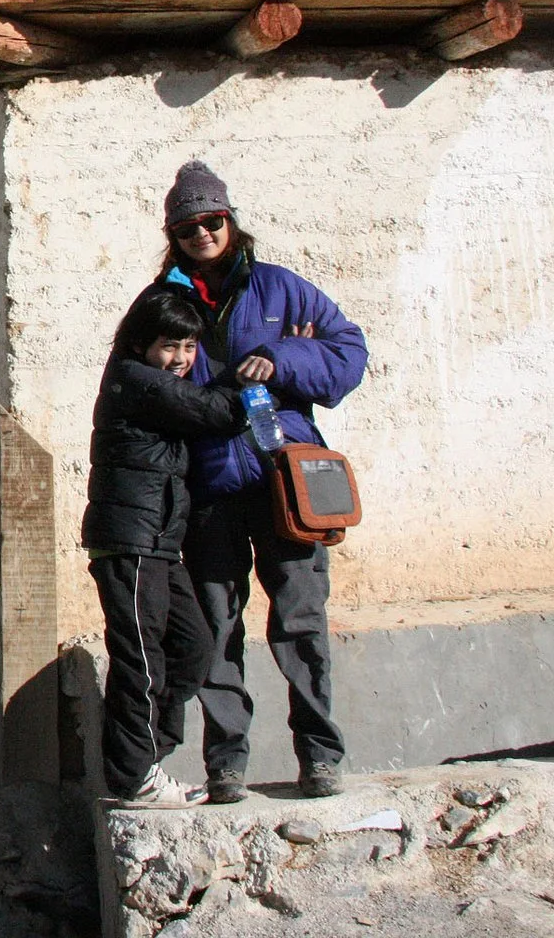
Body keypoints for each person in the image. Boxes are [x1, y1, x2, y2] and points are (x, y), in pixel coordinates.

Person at [157, 160, 366, 803]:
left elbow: (349, 354)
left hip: (285, 486)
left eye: (212, 220)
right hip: (209, 488)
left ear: (231, 220)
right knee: (217, 628)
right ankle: (225, 764)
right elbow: (142, 382)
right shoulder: (163, 304)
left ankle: (320, 756)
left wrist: (283, 357)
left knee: (301, 621)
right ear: (173, 235)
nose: (202, 233)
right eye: (187, 226)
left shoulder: (281, 289)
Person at [85, 285, 249, 810]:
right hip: (128, 541)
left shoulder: (153, 380)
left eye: (189, 347)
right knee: (141, 658)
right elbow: (218, 411)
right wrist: (250, 374)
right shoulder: (136, 379)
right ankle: (134, 778)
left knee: (193, 645)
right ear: (141, 345)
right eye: (169, 346)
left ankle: (146, 755)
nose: (180, 359)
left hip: (157, 541)